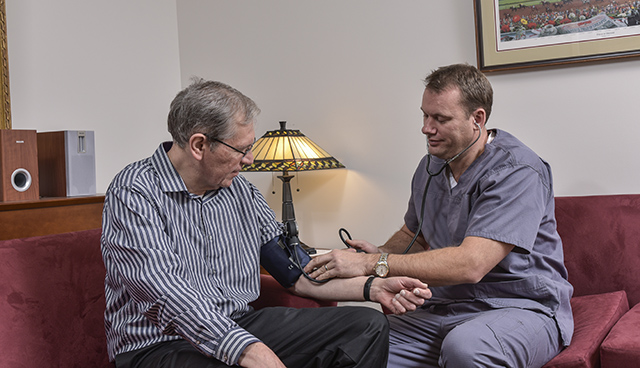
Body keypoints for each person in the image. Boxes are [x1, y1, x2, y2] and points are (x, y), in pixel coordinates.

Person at [100, 79, 430, 368]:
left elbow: (294, 273)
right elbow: (168, 297)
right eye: (241, 149)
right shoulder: (135, 190)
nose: (250, 160)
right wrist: (248, 350)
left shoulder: (240, 191)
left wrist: (371, 288)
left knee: (365, 327)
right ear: (199, 145)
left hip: (239, 324)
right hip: (161, 346)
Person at [305, 64, 574, 368]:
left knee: (467, 348)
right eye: (425, 115)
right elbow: (413, 235)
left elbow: (472, 265)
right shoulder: (431, 165)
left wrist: (371, 264)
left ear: (478, 119)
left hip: (520, 308)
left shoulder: (517, 171)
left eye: (440, 119)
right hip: (443, 308)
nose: (426, 128)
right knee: (356, 340)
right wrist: (382, 251)